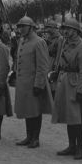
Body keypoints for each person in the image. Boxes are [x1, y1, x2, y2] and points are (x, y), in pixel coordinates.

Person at [51, 18, 82, 160]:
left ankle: (79, 148)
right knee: (70, 118)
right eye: (64, 28)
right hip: (65, 82)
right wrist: (56, 73)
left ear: (76, 31)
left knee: (78, 118)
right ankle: (71, 145)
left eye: (69, 29)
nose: (66, 31)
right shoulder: (65, 43)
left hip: (76, 83)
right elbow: (59, 60)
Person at [13, 16, 52, 148]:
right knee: (27, 110)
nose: (21, 29)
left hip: (33, 83)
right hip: (23, 83)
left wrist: (39, 84)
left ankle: (35, 138)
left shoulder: (39, 42)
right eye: (20, 26)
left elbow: (42, 66)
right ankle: (29, 136)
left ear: (31, 27)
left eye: (23, 26)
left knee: (35, 111)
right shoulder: (22, 41)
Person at [46, 20, 64, 98]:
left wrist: (56, 65)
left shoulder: (60, 38)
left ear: (54, 28)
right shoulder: (48, 37)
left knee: (53, 82)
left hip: (53, 61)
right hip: (47, 60)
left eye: (49, 27)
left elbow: (59, 53)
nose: (47, 29)